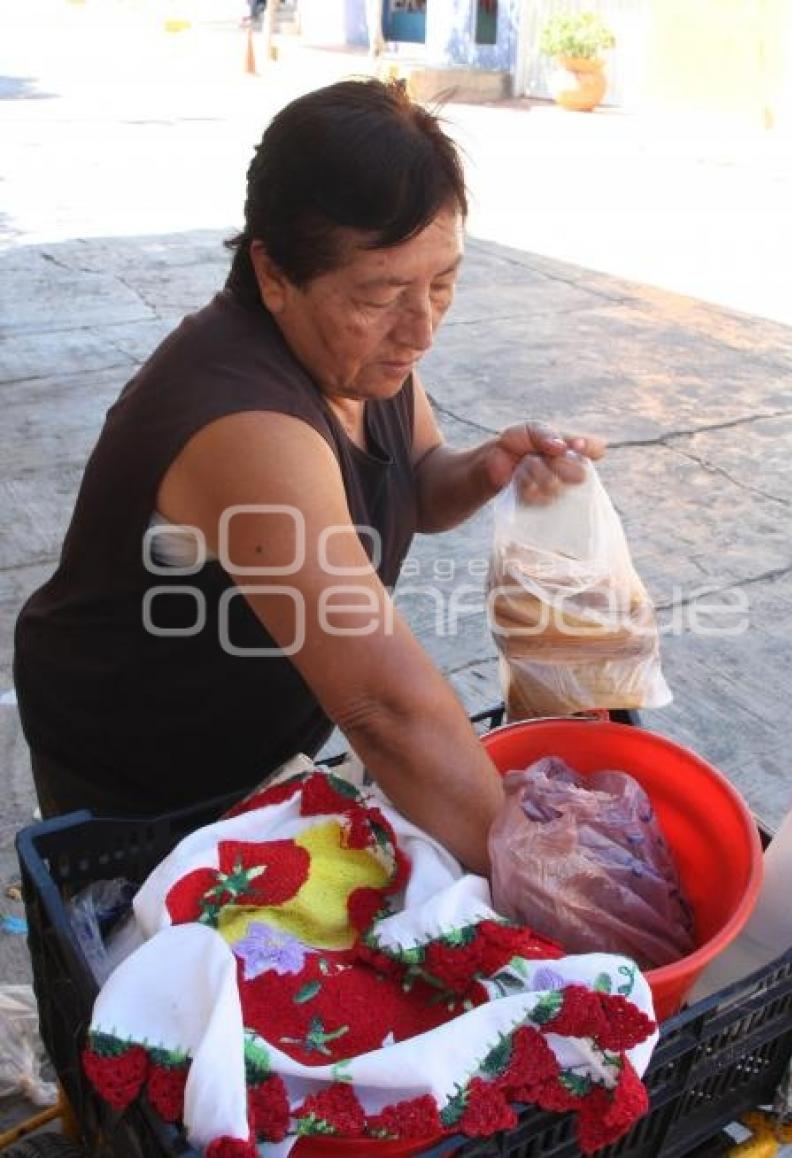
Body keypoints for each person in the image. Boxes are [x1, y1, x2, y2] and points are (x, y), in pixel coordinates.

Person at [13, 79, 603, 874]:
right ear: (273, 274)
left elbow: (418, 479)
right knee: (158, 958)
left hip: (257, 730)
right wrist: (544, 885)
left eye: (442, 282)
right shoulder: (243, 426)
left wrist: (485, 467)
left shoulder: (360, 362)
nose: (422, 328)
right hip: (140, 752)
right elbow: (383, 707)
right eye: (382, 294)